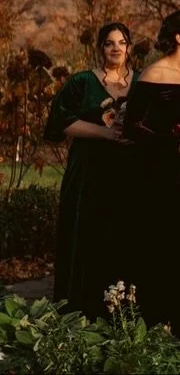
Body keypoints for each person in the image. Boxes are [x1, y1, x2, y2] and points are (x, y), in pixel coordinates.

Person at [124, 10, 180, 336]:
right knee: (160, 244)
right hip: (157, 172)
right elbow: (133, 126)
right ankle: (156, 321)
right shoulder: (152, 74)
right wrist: (170, 144)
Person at [44, 22, 137, 318]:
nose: (116, 48)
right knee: (88, 235)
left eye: (122, 42)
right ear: (100, 48)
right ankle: (83, 310)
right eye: (109, 43)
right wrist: (105, 133)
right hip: (88, 173)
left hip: (130, 172)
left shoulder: (143, 81)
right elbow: (59, 122)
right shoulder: (82, 82)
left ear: (129, 47)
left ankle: (125, 309)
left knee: (126, 234)